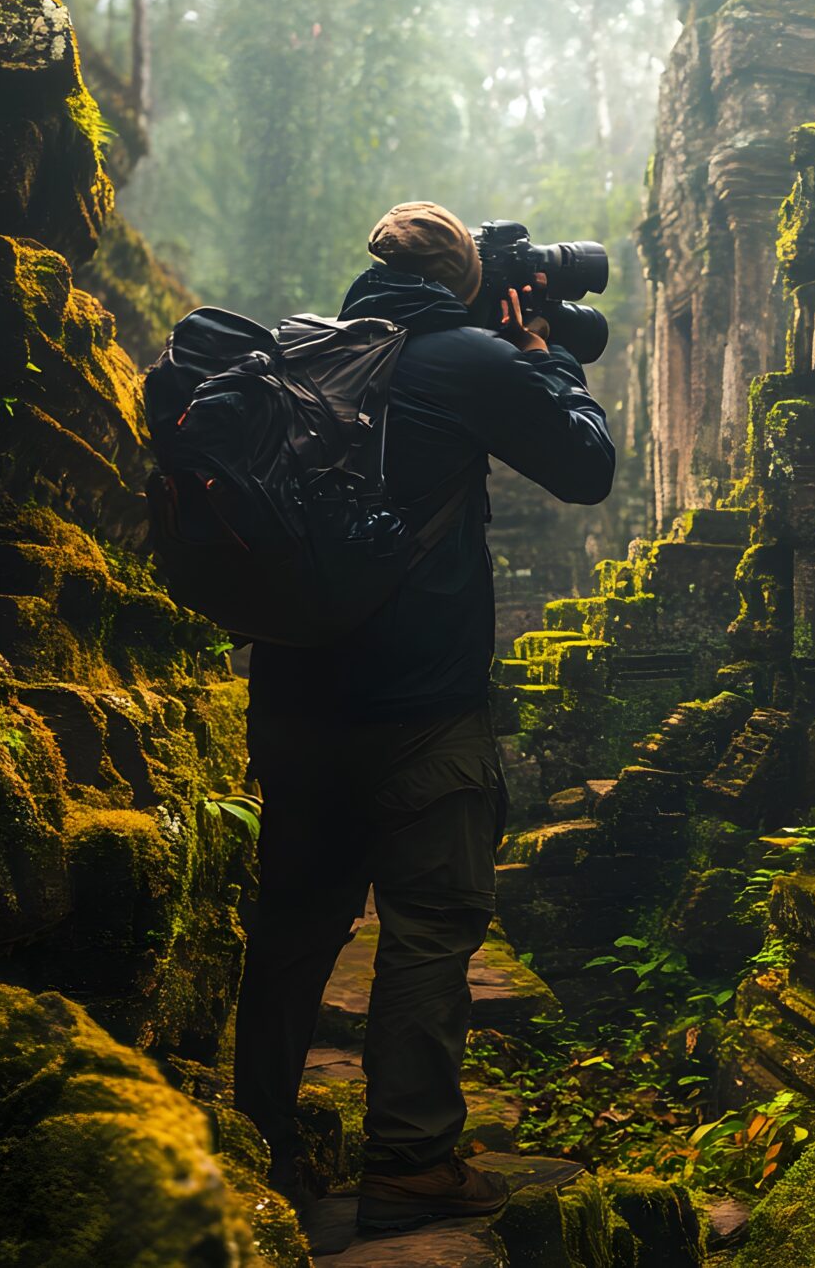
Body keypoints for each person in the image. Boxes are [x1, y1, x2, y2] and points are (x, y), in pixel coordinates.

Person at [232, 201, 616, 1232]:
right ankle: (410, 1160)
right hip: (421, 708)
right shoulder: (468, 359)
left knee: (295, 925)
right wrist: (542, 354)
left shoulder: (301, 354)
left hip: (297, 700)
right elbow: (587, 467)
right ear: (462, 284)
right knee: (428, 925)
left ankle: (253, 1141)